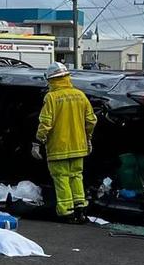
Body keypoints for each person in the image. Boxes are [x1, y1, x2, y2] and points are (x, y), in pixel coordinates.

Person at [33, 62, 96, 223]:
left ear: (51, 80)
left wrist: (38, 141)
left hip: (58, 147)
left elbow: (46, 123)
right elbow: (91, 120)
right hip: (79, 146)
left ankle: (67, 212)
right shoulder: (80, 95)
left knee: (61, 179)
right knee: (76, 176)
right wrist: (87, 138)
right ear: (67, 77)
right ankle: (80, 209)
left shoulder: (51, 97)